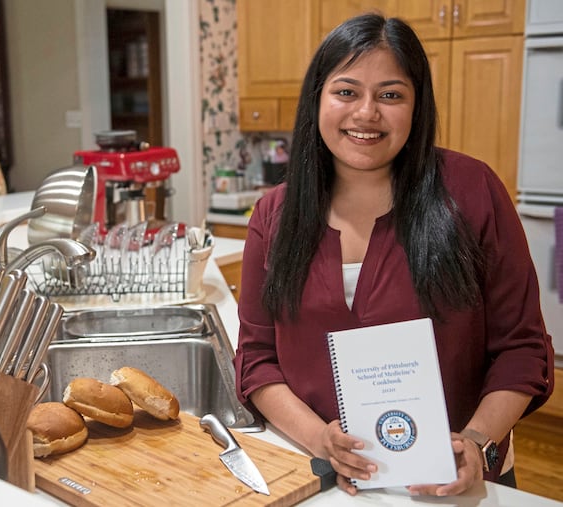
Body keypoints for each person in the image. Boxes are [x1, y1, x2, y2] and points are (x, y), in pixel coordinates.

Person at [234, 13, 554, 497]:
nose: (366, 113)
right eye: (346, 91)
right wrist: (322, 440)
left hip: (454, 480)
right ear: (317, 99)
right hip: (321, 478)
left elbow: (522, 349)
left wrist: (473, 441)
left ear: (416, 106)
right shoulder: (274, 215)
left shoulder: (472, 192)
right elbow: (257, 360)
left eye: (390, 95)